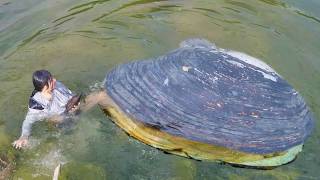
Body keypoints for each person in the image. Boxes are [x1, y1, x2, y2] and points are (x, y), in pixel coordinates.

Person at [12, 70, 80, 149]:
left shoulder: (57, 85)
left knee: (98, 96)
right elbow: (28, 121)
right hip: (58, 123)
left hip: (74, 111)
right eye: (51, 80)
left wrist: (76, 104)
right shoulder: (36, 104)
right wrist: (24, 136)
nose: (54, 80)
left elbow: (71, 96)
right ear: (44, 87)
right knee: (56, 119)